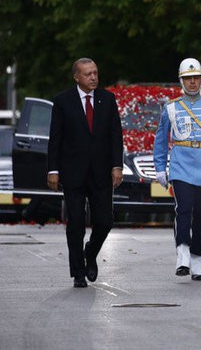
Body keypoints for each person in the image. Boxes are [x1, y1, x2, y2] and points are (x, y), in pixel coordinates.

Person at [47, 58, 124, 288]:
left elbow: (115, 135)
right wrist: (53, 169)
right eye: (88, 74)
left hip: (101, 173)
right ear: (76, 77)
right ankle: (78, 273)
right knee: (76, 223)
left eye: (95, 73)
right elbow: (56, 139)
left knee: (105, 220)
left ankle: (90, 252)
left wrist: (117, 166)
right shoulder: (63, 101)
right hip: (73, 173)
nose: (93, 77)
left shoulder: (107, 99)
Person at [153, 58, 201, 281]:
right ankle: (183, 252)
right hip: (181, 165)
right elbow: (161, 140)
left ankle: (198, 261)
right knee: (184, 208)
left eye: (196, 78)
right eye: (188, 79)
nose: (192, 82)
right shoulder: (171, 107)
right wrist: (160, 167)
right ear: (181, 80)